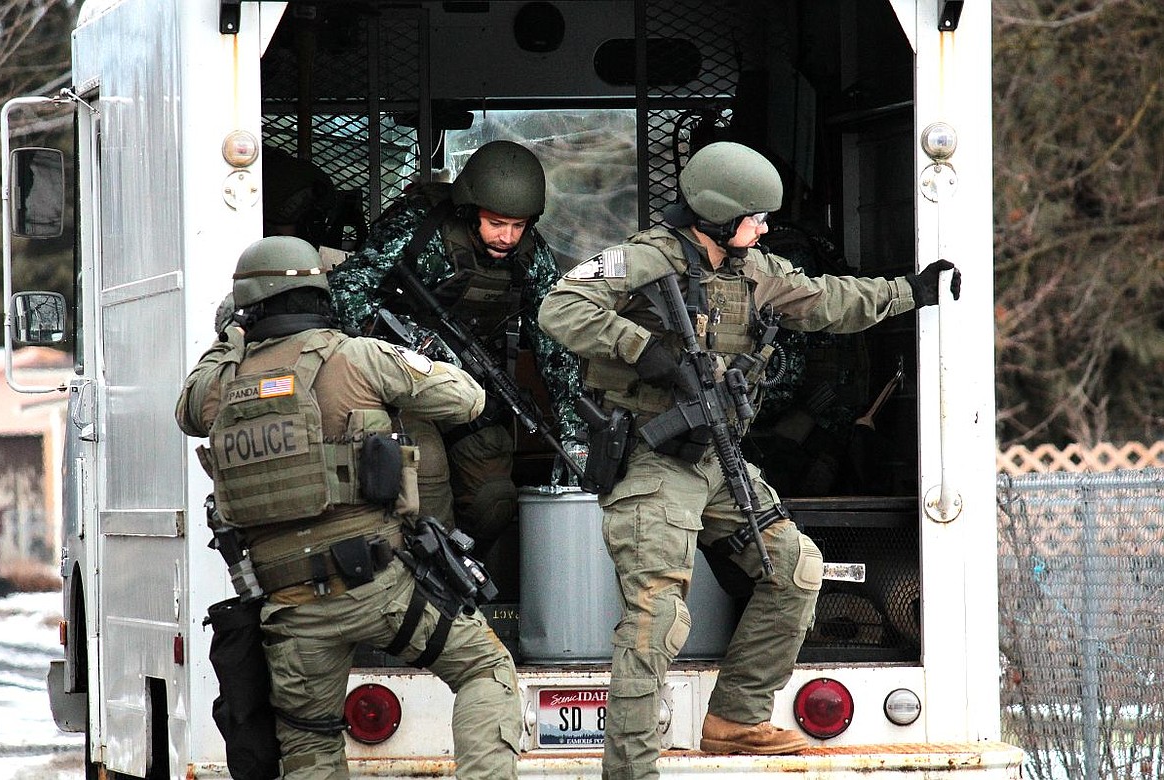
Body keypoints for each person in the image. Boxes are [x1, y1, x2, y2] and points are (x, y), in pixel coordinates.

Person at [538, 140, 961, 776]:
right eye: (755, 216)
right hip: (653, 463)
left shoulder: (753, 271)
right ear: (715, 214)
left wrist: (909, 291)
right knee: (655, 617)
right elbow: (560, 307)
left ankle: (734, 719)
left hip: (715, 459)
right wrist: (648, 351)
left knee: (794, 569)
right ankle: (630, 767)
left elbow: (823, 302)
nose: (764, 228)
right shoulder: (645, 259)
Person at [176, 235, 521, 780]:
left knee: (310, 746)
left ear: (250, 306)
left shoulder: (220, 383)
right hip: (380, 587)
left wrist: (230, 337)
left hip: (290, 608)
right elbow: (468, 399)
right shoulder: (356, 357)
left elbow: (188, 407)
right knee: (485, 667)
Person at [327, 139, 585, 550]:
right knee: (427, 481)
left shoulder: (530, 256)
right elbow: (345, 290)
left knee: (494, 501)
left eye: (518, 226)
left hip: (474, 390)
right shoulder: (419, 229)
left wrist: (573, 430)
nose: (507, 237)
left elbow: (555, 340)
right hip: (402, 389)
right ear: (469, 210)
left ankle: (466, 571)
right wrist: (408, 341)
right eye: (497, 224)